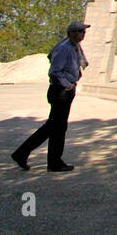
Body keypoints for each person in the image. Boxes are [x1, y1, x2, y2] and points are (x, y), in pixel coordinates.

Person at [11, 20, 89, 172]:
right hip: (60, 91)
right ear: (72, 33)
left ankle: (51, 161)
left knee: (57, 128)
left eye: (84, 31)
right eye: (80, 31)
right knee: (53, 127)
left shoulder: (74, 47)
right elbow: (55, 71)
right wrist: (67, 84)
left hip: (65, 90)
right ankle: (25, 154)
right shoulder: (65, 48)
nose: (83, 34)